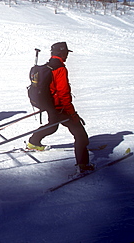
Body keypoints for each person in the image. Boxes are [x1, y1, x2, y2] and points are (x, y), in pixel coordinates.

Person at [27, 42, 94, 173]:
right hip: (59, 107)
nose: (67, 55)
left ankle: (33, 142)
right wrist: (72, 114)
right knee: (81, 136)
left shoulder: (46, 67)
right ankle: (83, 165)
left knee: (52, 125)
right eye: (66, 53)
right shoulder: (59, 69)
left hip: (49, 105)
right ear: (61, 53)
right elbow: (63, 94)